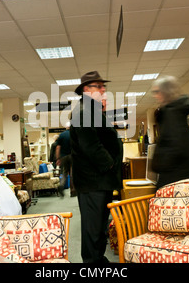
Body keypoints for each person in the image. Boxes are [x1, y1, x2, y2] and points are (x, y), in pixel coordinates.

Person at [70, 70, 123, 263]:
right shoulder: (84, 111)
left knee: (99, 228)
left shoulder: (91, 110)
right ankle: (92, 264)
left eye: (103, 86)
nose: (103, 90)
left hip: (100, 181)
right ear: (86, 89)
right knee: (93, 229)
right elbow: (91, 147)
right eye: (98, 86)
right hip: (94, 182)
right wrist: (110, 165)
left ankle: (98, 261)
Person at [151, 76, 189, 189]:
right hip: (183, 174)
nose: (155, 95)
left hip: (176, 177)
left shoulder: (172, 113)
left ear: (166, 92)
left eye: (157, 91)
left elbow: (176, 145)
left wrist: (159, 164)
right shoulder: (177, 111)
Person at [56, 123, 72, 197]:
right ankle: (73, 191)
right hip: (72, 156)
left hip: (63, 157)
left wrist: (58, 158)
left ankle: (61, 185)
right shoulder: (73, 134)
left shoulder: (61, 135)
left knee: (65, 173)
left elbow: (58, 147)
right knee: (72, 173)